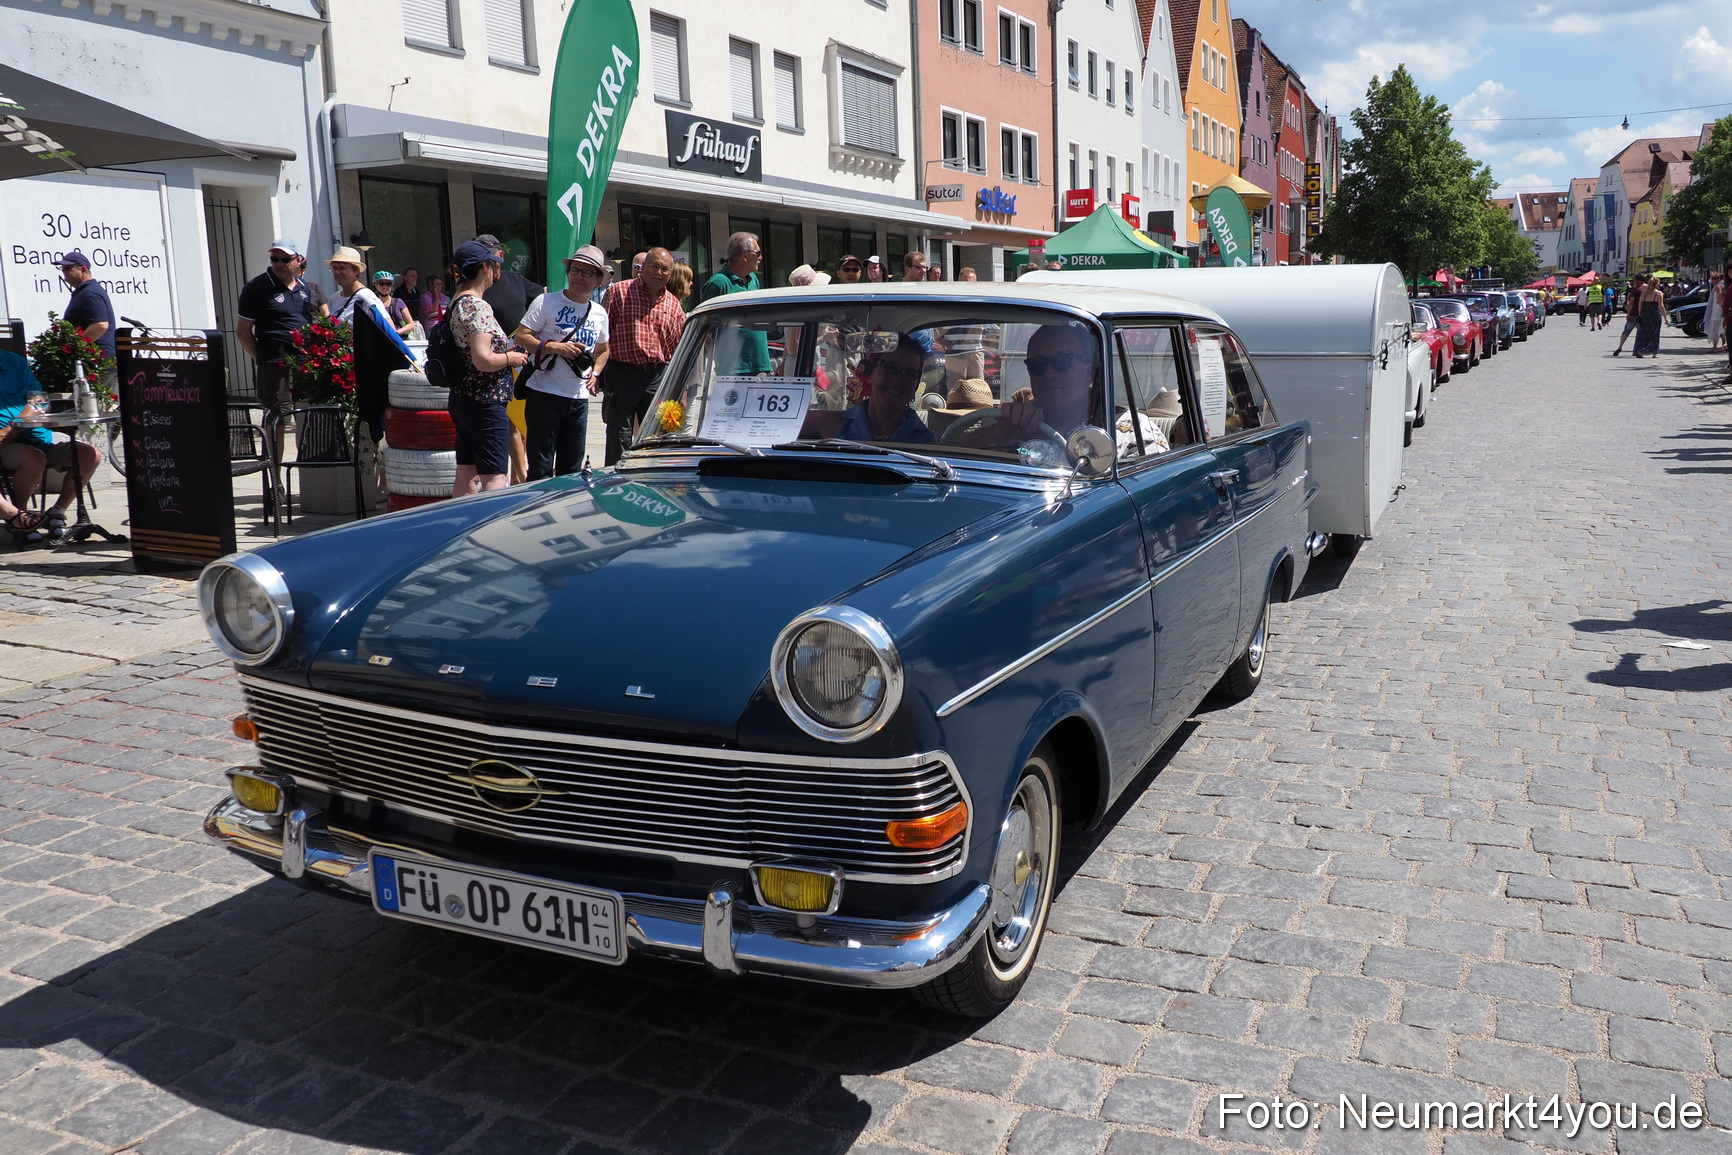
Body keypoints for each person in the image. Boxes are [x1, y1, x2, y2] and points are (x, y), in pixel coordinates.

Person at [512, 246, 611, 480]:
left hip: (578, 399)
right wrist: (555, 347)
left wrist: (595, 373)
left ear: (598, 280)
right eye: (575, 270)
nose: (578, 276)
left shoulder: (599, 313)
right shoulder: (546, 302)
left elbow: (604, 350)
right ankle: (536, 511)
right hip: (544, 394)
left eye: (587, 273)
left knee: (572, 469)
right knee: (541, 466)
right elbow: (521, 336)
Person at [445, 239, 531, 495]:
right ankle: (493, 531)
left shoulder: (456, 301)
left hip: (463, 398)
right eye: (495, 264)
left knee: (466, 472)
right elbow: (482, 359)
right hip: (485, 401)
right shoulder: (477, 306)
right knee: (495, 476)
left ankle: (460, 526)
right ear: (485, 267)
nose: (498, 271)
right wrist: (512, 358)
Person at [0, 348, 99, 545]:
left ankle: (57, 512)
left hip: (35, 432)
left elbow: (39, 399)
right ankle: (22, 517)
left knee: (90, 455)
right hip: (4, 443)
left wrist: (18, 423)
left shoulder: (13, 361)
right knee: (34, 458)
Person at [599, 247, 685, 465]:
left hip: (657, 376)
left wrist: (678, 387)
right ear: (642, 268)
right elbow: (602, 334)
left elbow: (676, 348)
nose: (658, 272)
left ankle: (649, 478)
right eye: (654, 266)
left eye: (664, 269)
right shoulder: (618, 292)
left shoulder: (673, 304)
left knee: (656, 435)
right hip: (622, 372)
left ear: (670, 273)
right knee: (619, 433)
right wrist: (598, 372)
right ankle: (615, 481)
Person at [236, 238, 314, 424]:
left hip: (304, 362)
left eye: (285, 260)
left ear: (298, 261)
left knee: (308, 416)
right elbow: (242, 331)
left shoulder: (304, 287)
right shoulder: (256, 287)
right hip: (275, 363)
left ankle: (305, 454)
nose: (279, 264)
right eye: (274, 259)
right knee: (277, 418)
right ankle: (273, 455)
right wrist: (263, 358)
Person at [802, 334, 933, 444]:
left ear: (916, 385)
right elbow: (784, 427)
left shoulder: (926, 443)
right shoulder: (832, 424)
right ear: (870, 373)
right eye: (890, 367)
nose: (897, 380)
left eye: (909, 373)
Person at [700, 232, 772, 375]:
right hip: (734, 370)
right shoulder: (719, 283)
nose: (761, 257)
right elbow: (703, 328)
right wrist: (723, 358)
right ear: (745, 256)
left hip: (761, 365)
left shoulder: (753, 279)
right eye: (758, 253)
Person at [57, 250, 116, 396]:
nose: (64, 272)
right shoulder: (85, 292)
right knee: (100, 407)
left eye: (67, 268)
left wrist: (75, 346)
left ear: (83, 269)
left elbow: (100, 325)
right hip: (99, 361)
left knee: (92, 407)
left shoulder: (90, 293)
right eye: (62, 268)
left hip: (99, 362)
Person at [474, 234, 541, 335]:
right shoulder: (475, 287)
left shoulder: (516, 279)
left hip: (520, 346)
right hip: (493, 348)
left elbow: (543, 294)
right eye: (482, 255)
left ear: (501, 255)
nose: (487, 259)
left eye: (490, 254)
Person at [325, 247, 388, 328]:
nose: (337, 272)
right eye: (334, 268)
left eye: (342, 268)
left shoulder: (365, 296)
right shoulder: (334, 298)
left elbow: (388, 327)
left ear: (356, 271)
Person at [373, 271, 416, 337]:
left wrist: (396, 332)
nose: (385, 286)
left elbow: (411, 324)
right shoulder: (372, 303)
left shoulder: (398, 302)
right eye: (381, 283)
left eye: (388, 284)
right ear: (376, 285)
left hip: (396, 339)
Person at [1631, 275, 1665, 358]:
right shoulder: (1659, 293)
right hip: (1655, 314)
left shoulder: (1644, 292)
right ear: (1657, 284)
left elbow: (1640, 304)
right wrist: (1665, 317)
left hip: (1645, 314)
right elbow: (1661, 306)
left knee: (1644, 333)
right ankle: (1654, 352)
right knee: (1655, 333)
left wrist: (1640, 314)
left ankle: (1641, 350)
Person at [1611, 275, 1644, 356]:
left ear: (1639, 280)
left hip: (1633, 314)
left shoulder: (1635, 290)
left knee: (1626, 331)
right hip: (1643, 314)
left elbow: (1631, 303)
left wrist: (1628, 313)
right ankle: (1637, 350)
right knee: (1640, 333)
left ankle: (1620, 346)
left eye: (1635, 280)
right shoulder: (1646, 289)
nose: (1634, 282)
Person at [1706, 270, 1725, 354]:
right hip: (1717, 311)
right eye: (1712, 278)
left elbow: (1720, 297)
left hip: (1718, 311)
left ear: (1720, 278)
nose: (1713, 280)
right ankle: (1721, 346)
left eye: (1715, 278)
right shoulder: (1720, 285)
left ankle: (1717, 346)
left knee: (1717, 329)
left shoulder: (1719, 286)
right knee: (1721, 329)